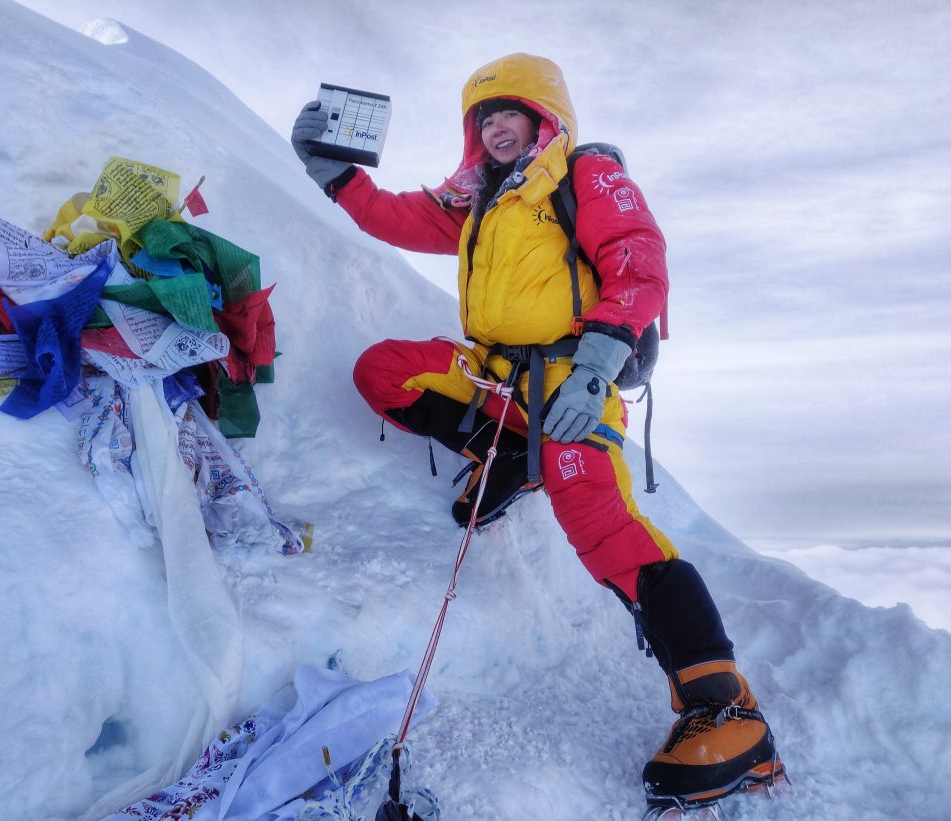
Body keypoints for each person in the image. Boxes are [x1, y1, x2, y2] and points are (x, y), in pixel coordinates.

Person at [292, 53, 785, 811]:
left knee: (598, 519)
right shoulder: (479, 201)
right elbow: (393, 214)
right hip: (497, 376)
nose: (494, 126)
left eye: (509, 112)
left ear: (545, 118)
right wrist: (334, 173)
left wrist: (597, 366)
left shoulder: (582, 175)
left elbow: (637, 258)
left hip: (570, 382)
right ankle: (515, 456)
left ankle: (726, 708)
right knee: (384, 372)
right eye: (482, 117)